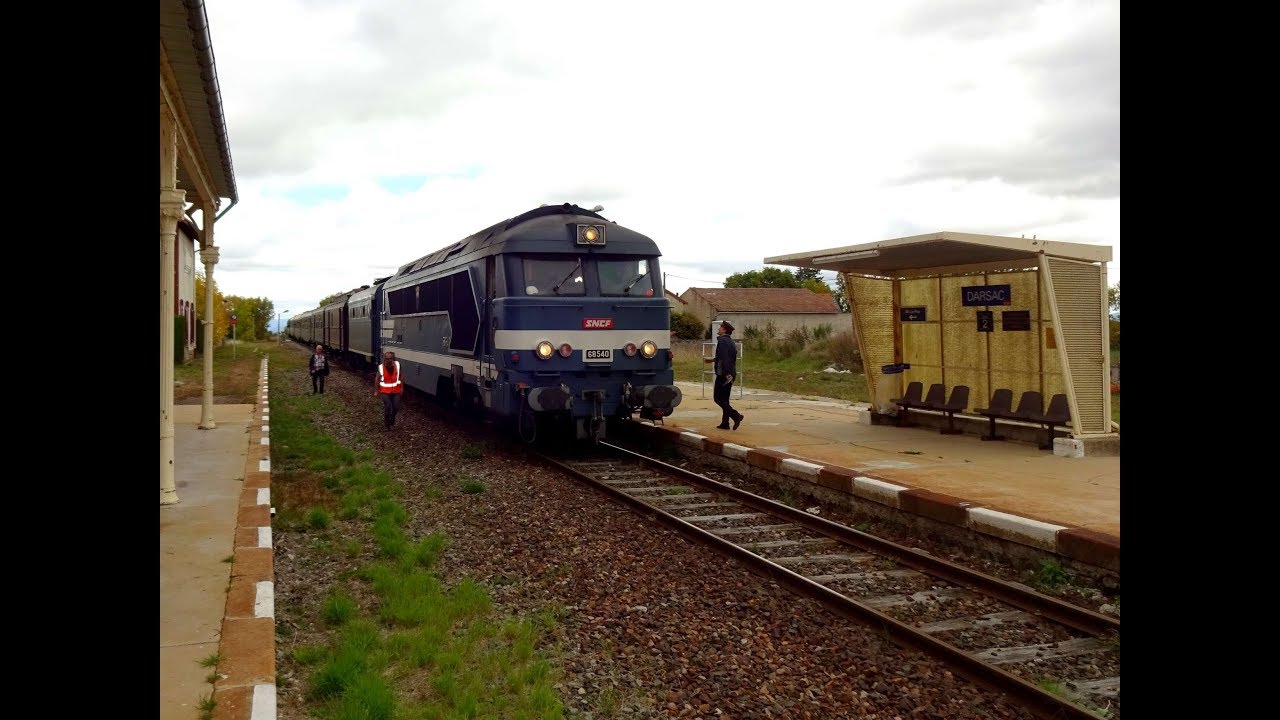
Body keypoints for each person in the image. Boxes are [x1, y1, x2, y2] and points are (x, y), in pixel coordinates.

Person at [704, 320, 744, 430]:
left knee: (718, 398)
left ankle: (736, 416)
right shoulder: (730, 341)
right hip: (731, 373)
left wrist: (726, 373)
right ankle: (725, 423)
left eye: (720, 327)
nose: (718, 329)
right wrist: (712, 360)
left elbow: (725, 359)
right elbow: (727, 357)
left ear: (724, 329)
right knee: (725, 400)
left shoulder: (722, 341)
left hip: (724, 375)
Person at [376, 350, 404, 429]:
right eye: (387, 359)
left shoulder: (397, 365)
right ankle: (387, 422)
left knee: (396, 407)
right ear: (384, 359)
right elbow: (377, 379)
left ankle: (392, 418)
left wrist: (402, 388)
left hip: (396, 391)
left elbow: (401, 376)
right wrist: (376, 390)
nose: (389, 360)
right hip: (385, 391)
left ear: (393, 359)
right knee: (388, 406)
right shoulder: (381, 367)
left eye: (390, 358)